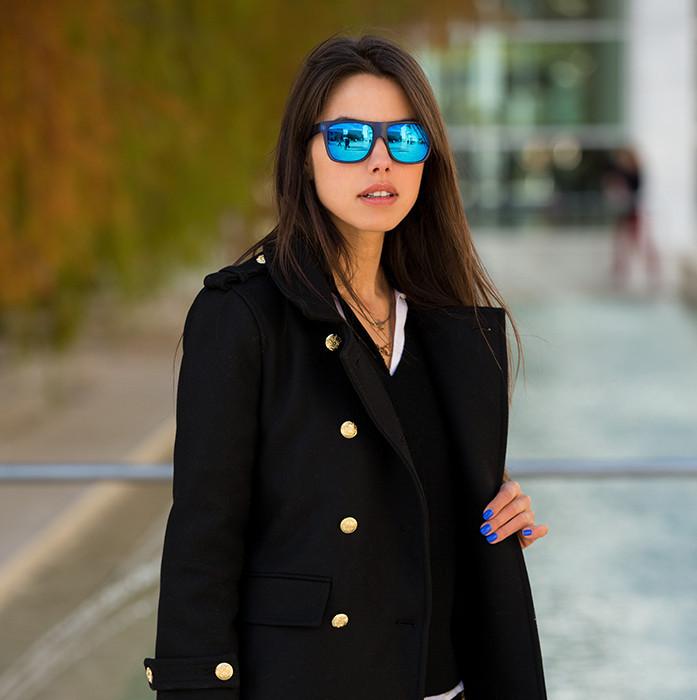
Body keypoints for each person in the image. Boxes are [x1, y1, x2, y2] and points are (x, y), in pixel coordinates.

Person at [143, 33, 549, 700]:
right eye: (350, 138)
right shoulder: (242, 316)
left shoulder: (443, 325)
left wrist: (493, 511)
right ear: (304, 157)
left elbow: (410, 503)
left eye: (405, 139)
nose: (381, 159)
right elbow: (202, 545)